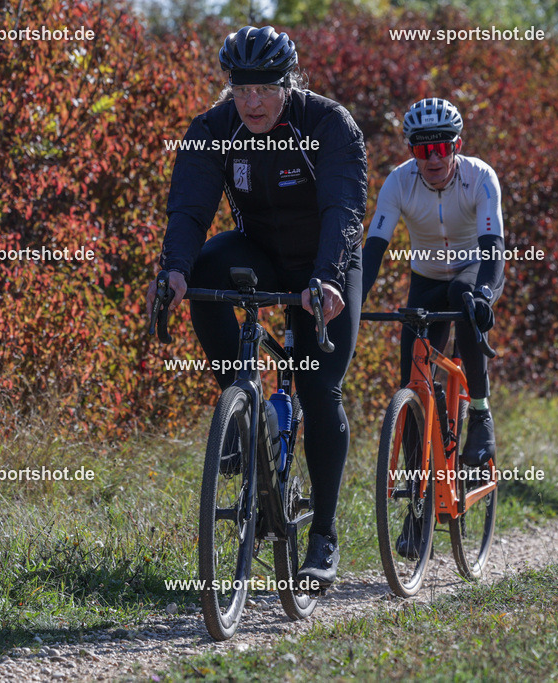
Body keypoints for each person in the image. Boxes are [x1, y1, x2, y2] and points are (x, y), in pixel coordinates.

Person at [145, 26, 368, 591]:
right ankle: (241, 403)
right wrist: (173, 270)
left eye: (265, 88)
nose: (252, 102)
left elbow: (344, 210)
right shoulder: (213, 129)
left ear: (288, 82)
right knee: (207, 265)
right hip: (264, 256)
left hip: (327, 264)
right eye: (241, 88)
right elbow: (190, 210)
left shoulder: (327, 124)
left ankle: (324, 535)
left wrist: (327, 279)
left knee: (319, 390)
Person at [361, 97, 505, 559]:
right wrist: (349, 303)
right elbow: (373, 251)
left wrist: (484, 296)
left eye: (444, 148)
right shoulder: (399, 183)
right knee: (412, 387)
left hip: (470, 271)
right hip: (424, 280)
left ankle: (479, 414)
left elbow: (493, 247)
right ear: (412, 152)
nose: (435, 159)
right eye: (424, 151)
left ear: (458, 146)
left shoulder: (480, 177)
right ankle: (417, 511)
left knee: (465, 303)